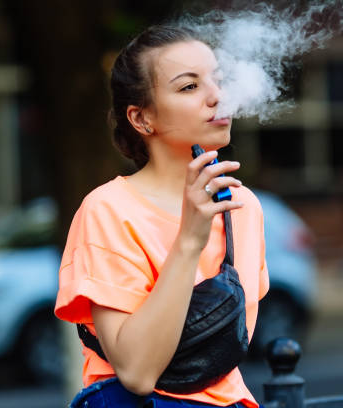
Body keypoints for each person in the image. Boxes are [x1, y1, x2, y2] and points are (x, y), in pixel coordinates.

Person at [54, 25, 269, 408]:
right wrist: (190, 240)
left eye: (217, 80)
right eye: (189, 87)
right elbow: (137, 373)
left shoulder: (244, 207)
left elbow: (222, 353)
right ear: (141, 119)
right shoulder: (109, 210)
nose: (217, 96)